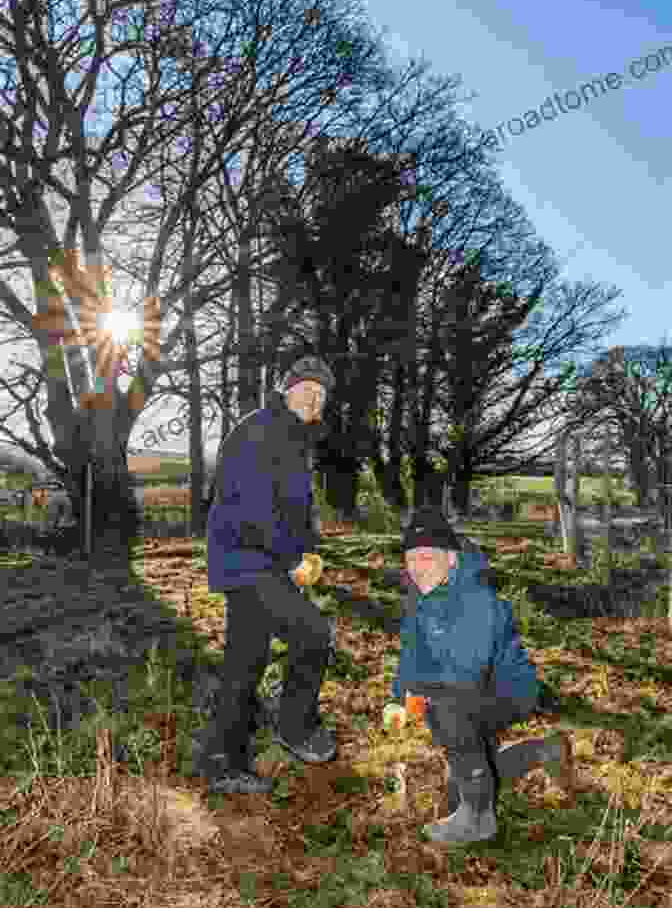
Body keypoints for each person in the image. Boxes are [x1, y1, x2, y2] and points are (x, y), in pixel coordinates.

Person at [359, 506, 574, 845]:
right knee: (462, 784)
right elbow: (412, 657)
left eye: (427, 557)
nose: (416, 567)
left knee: (446, 712)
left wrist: (422, 697)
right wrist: (397, 699)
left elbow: (465, 673)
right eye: (411, 558)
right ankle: (543, 752)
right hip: (465, 693)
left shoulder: (477, 598)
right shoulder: (419, 601)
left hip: (507, 691)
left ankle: (478, 819)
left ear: (453, 558)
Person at [197, 356, 338, 793]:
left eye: (320, 394)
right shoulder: (263, 429)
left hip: (258, 562)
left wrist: (306, 552)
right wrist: (290, 556)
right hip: (249, 560)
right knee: (313, 633)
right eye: (305, 389)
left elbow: (295, 512)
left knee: (246, 660)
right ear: (286, 390)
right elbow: (255, 508)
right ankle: (294, 725)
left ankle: (223, 763)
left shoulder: (293, 439)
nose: (313, 398)